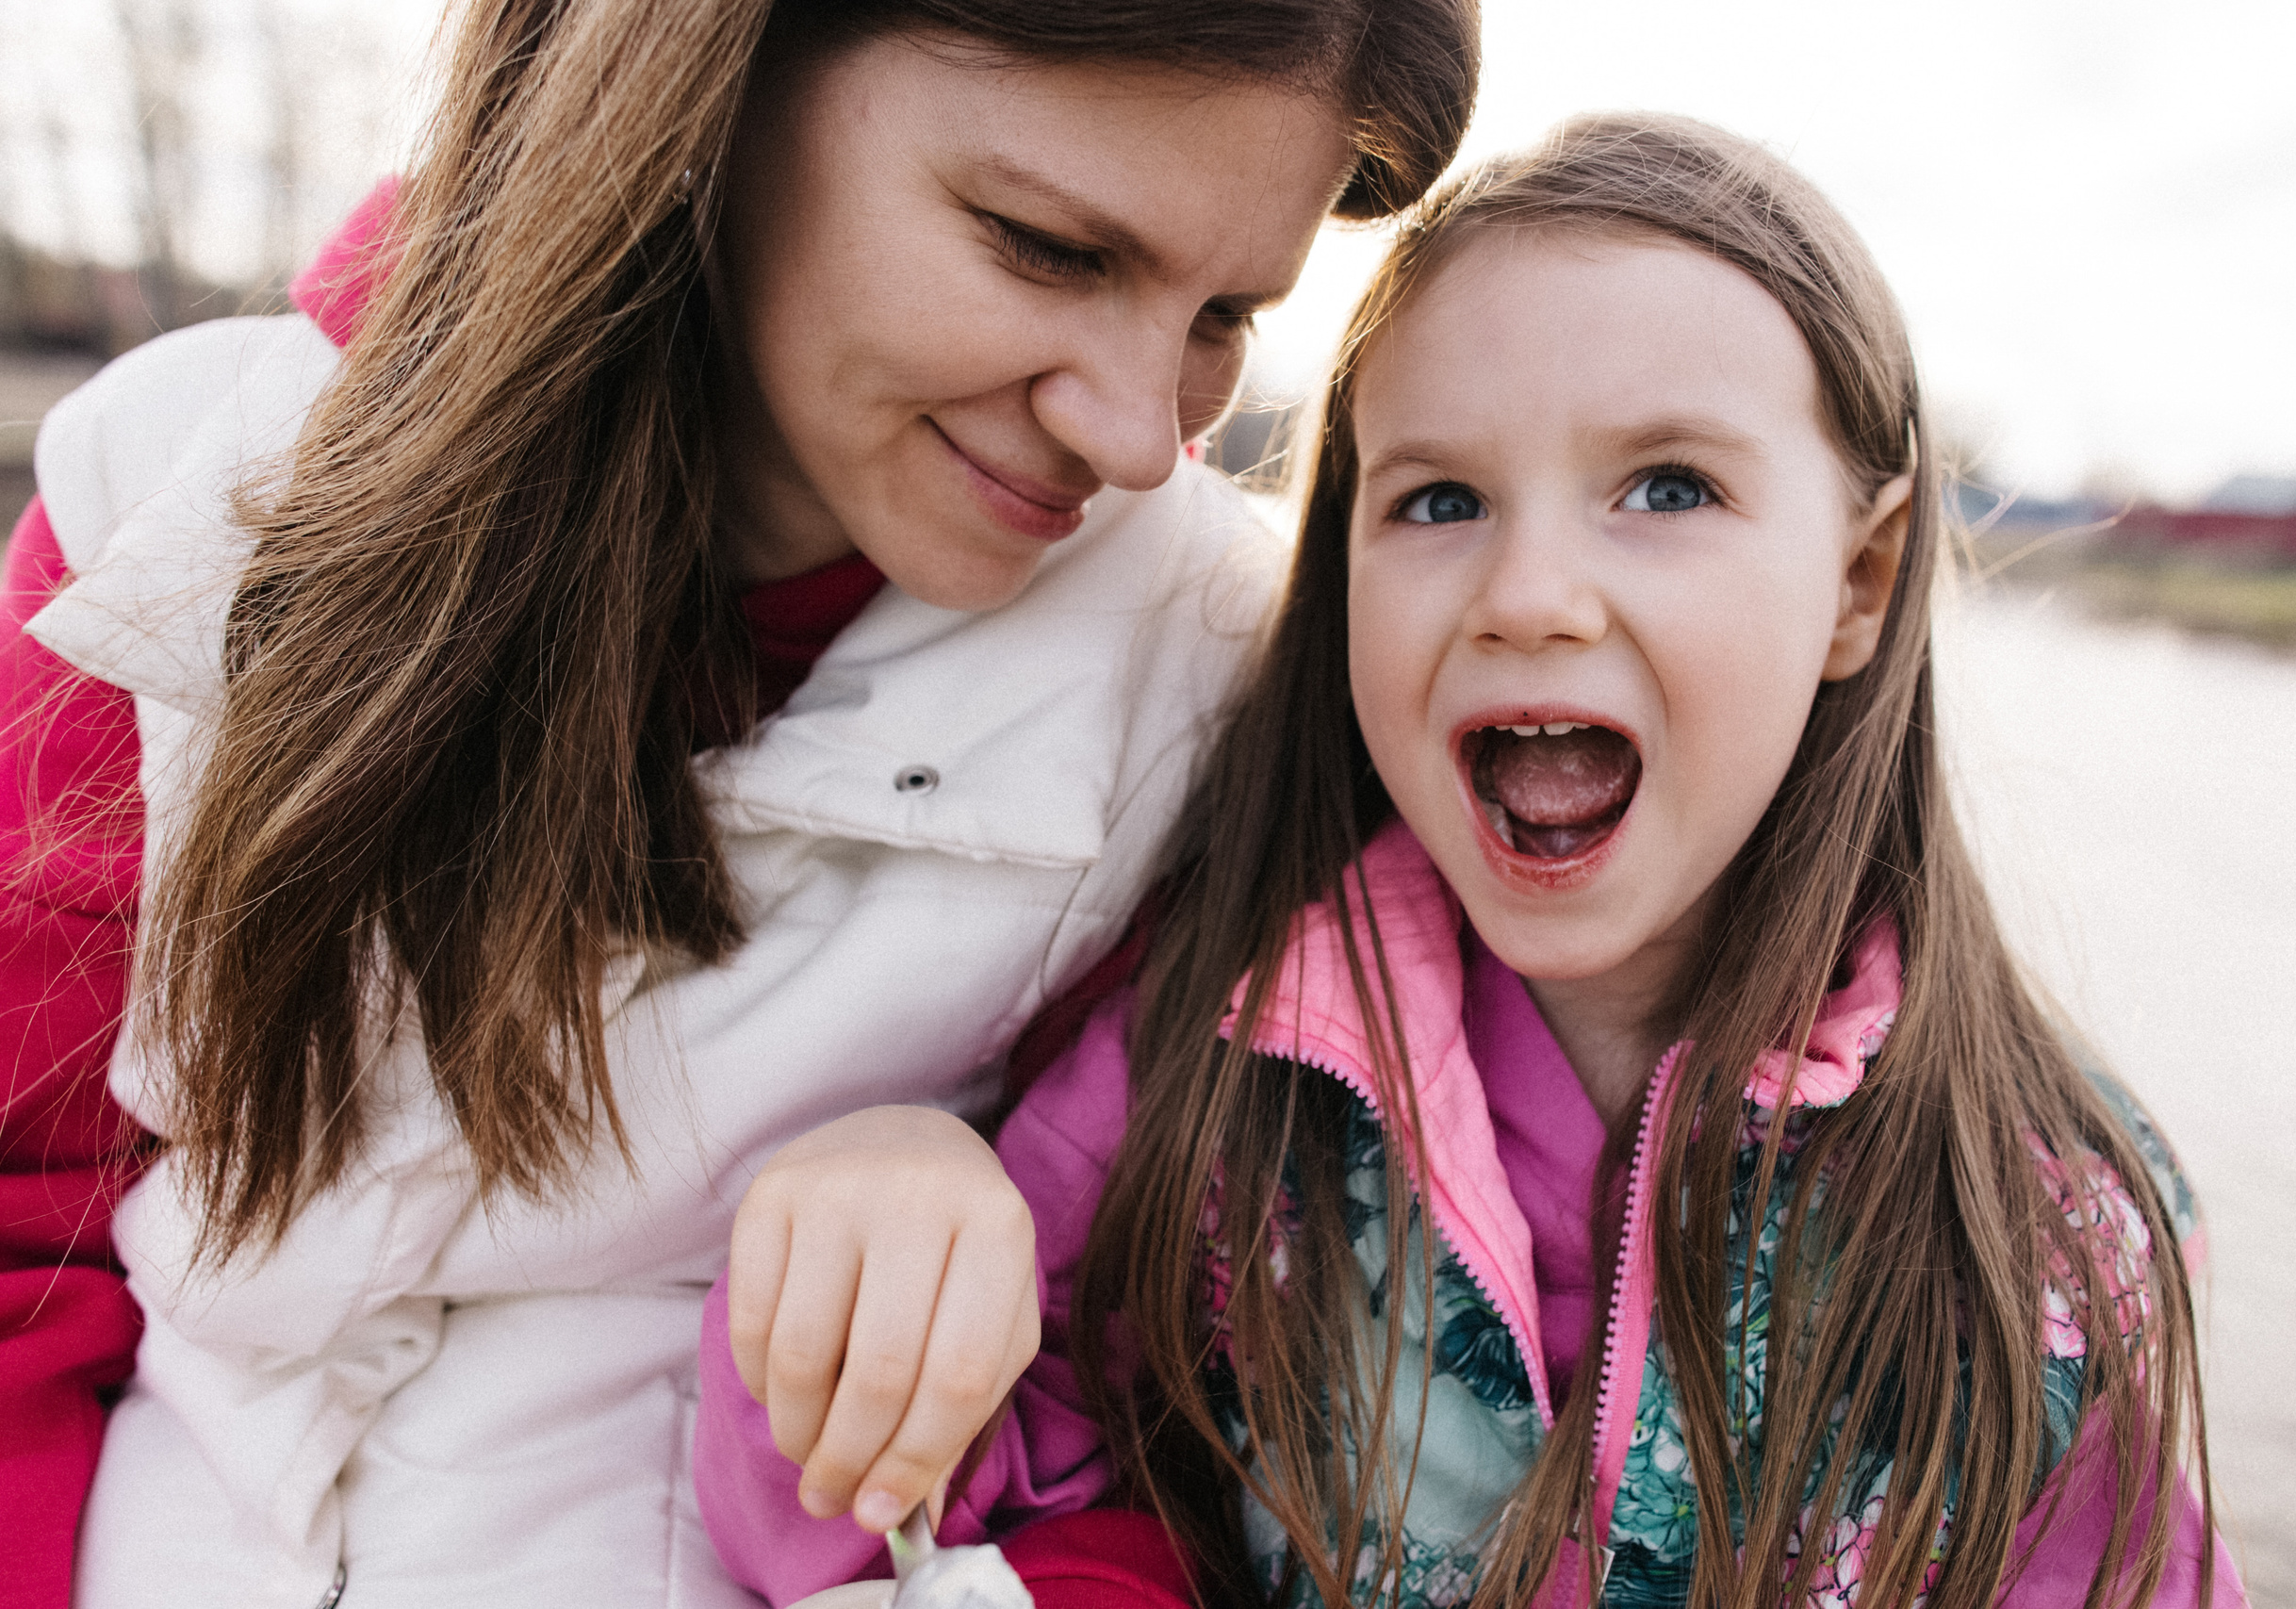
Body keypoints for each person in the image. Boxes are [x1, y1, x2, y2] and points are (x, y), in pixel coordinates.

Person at [0, 2, 1483, 1605]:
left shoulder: (1206, 686)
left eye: (1225, 317)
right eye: (1048, 248)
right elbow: (25, 1249)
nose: (1136, 436)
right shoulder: (177, 500)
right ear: (717, 74)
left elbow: (1167, 1454)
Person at [699, 113, 2251, 1609]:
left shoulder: (2040, 1223)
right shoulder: (1203, 1069)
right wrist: (885, 1210)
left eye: (1667, 488)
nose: (1530, 594)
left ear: (1857, 578)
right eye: (1440, 498)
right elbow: (907, 1515)